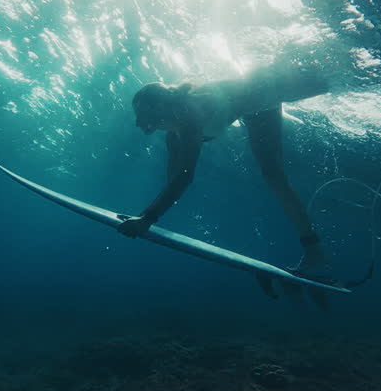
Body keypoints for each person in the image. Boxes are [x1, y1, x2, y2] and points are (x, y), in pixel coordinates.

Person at [117, 59, 330, 277]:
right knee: (272, 175)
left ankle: (313, 248)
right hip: (256, 108)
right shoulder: (173, 137)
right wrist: (144, 216)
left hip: (267, 87)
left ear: (159, 106)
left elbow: (184, 177)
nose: (138, 122)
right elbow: (172, 181)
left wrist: (147, 220)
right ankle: (315, 252)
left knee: (328, 82)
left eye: (140, 113)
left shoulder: (188, 115)